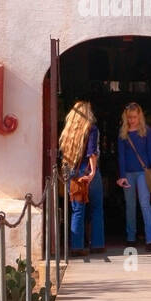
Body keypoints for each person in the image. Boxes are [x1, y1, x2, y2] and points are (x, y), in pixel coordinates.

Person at [59, 100, 104, 255]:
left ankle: (77, 247)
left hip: (73, 173)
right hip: (87, 172)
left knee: (77, 211)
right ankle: (97, 244)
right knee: (97, 208)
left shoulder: (68, 131)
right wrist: (92, 172)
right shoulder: (92, 129)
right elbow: (91, 152)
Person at [117, 101, 151, 251]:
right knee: (130, 205)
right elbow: (121, 156)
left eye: (134, 117)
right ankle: (131, 237)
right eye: (129, 117)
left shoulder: (146, 131)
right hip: (128, 173)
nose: (132, 120)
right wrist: (122, 175)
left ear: (139, 116)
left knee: (144, 203)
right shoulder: (123, 133)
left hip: (144, 172)